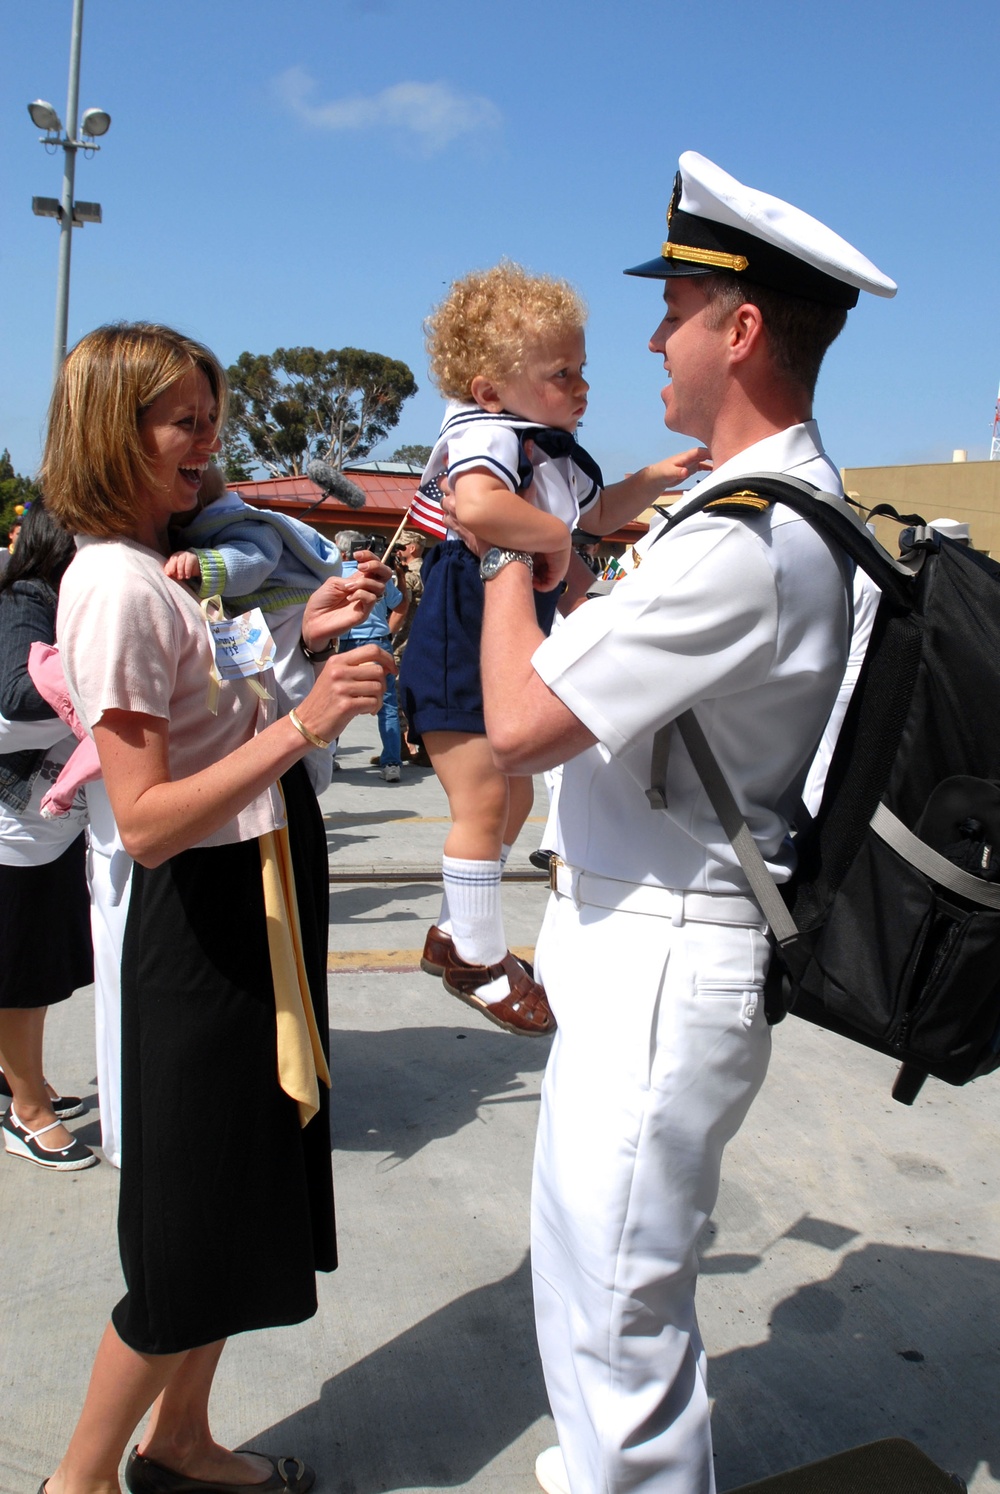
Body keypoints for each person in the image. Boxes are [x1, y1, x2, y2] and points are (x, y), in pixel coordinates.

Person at [464, 153, 896, 1493]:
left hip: (667, 953)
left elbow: (525, 720)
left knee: (621, 1310)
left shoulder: (748, 536)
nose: (655, 333)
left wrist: (498, 547)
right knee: (589, 1283)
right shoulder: (721, 513)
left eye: (678, 308)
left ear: (743, 329)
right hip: (621, 930)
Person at [39, 321, 393, 1494]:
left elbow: (219, 719)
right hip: (201, 922)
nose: (209, 441)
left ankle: (179, 1444)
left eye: (209, 416)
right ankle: (76, 1484)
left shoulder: (160, 574)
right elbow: (145, 819)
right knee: (187, 1227)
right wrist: (309, 721)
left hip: (254, 904)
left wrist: (304, 645)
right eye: (184, 419)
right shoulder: (116, 588)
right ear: (114, 429)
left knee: (239, 1199)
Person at [399, 261, 708, 1037]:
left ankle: (451, 928)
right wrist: (558, 547)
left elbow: (595, 516)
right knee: (481, 799)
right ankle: (476, 956)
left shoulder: (546, 447)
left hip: (500, 630)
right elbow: (478, 507)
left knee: (518, 796)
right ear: (489, 389)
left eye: (581, 370)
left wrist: (651, 480)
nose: (580, 386)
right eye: (559, 372)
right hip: (460, 629)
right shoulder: (487, 436)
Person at [0, 498, 95, 1171]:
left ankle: (17, 1079)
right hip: (15, 831)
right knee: (21, 978)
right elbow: (15, 695)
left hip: (45, 826)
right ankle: (25, 1111)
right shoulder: (29, 597)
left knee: (29, 967)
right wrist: (111, 668)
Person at [164, 461, 345, 793]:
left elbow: (253, 562)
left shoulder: (244, 525)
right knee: (254, 695)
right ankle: (273, 754)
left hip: (283, 610)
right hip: (251, 620)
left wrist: (202, 564)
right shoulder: (219, 522)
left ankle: (312, 769)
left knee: (289, 690)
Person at [338, 534, 407, 782]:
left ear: (342, 551)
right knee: (386, 704)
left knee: (337, 701)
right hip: (376, 642)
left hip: (342, 644)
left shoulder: (331, 573)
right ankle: (392, 764)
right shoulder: (378, 573)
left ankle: (329, 756)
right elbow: (399, 603)